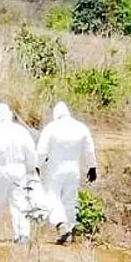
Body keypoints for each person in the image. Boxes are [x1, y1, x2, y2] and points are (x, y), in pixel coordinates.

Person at [36, 101, 97, 245]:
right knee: (70, 200)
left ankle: (61, 224)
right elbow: (89, 150)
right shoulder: (81, 128)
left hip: (55, 170)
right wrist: (92, 167)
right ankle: (69, 231)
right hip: (73, 170)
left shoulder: (51, 128)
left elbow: (41, 150)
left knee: (52, 197)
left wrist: (37, 166)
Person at [0, 103, 37, 244]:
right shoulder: (20, 131)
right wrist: (30, 169)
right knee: (19, 202)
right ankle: (22, 235)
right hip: (18, 170)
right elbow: (31, 153)